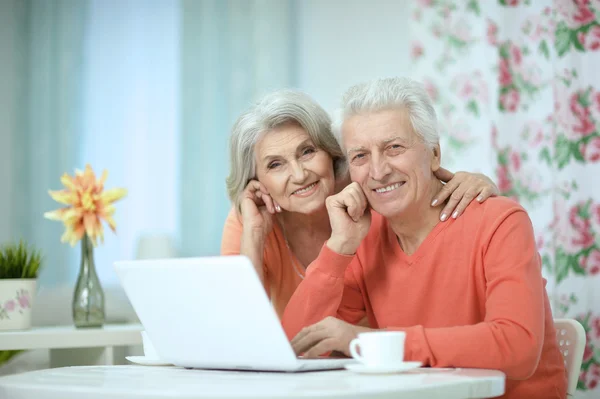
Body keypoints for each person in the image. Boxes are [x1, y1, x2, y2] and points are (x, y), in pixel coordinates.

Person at [281, 78, 566, 399]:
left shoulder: (500, 221)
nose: (378, 170)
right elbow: (296, 346)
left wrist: (371, 342)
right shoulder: (363, 237)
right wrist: (339, 247)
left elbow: (518, 346)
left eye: (394, 148)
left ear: (434, 154)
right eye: (360, 156)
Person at [221, 89, 499, 319]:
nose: (299, 174)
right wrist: (254, 237)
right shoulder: (250, 220)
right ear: (257, 180)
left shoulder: (376, 195)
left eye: (307, 152)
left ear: (331, 152)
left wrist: (480, 185)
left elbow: (424, 179)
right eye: (275, 164)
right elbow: (238, 325)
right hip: (306, 365)